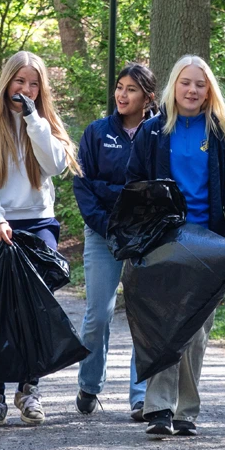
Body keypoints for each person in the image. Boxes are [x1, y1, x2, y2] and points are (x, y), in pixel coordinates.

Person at [124, 55, 225, 440]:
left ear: (209, 90)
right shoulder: (153, 132)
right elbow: (135, 185)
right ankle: (159, 408)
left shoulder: (220, 134)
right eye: (186, 83)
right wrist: (136, 238)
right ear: (173, 87)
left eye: (200, 84)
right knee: (164, 326)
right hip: (163, 242)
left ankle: (186, 411)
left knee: (196, 332)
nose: (192, 90)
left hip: (208, 245)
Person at [0, 50, 80, 426]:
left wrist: (34, 121)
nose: (25, 90)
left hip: (36, 221)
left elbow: (57, 165)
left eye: (34, 84)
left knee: (34, 308)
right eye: (19, 82)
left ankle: (29, 388)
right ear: (6, 81)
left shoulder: (42, 122)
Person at [71, 62, 157, 420]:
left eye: (131, 89)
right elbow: (83, 183)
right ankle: (90, 384)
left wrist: (115, 193)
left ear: (148, 98)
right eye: (119, 87)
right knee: (98, 315)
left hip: (146, 235)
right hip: (103, 232)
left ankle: (140, 396)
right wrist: (109, 217)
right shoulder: (96, 132)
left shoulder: (159, 133)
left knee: (144, 315)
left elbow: (158, 189)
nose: (122, 95)